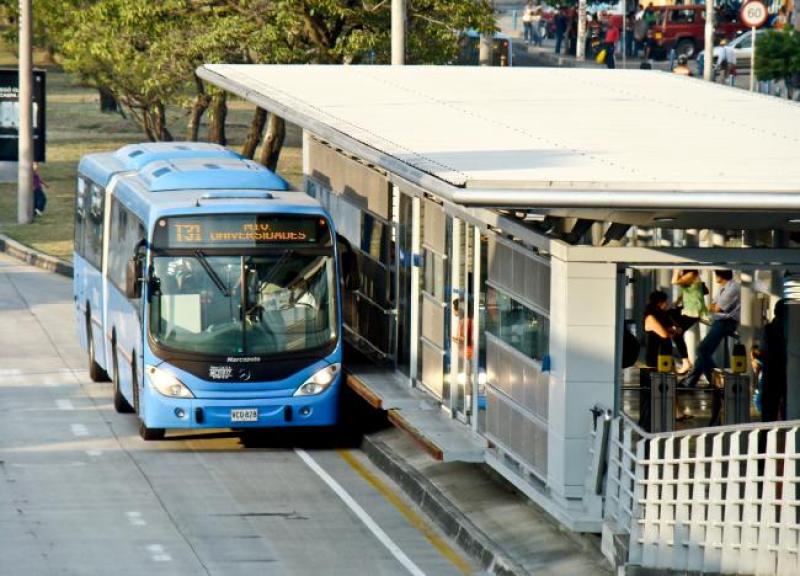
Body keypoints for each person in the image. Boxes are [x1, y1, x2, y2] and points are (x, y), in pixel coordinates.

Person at [682, 270, 740, 425]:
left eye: (716, 275)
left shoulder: (732, 288)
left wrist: (712, 307)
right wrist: (712, 307)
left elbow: (716, 308)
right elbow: (713, 306)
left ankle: (706, 381)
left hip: (725, 323)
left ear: (721, 276)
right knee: (704, 351)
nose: (715, 278)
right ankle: (703, 381)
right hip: (720, 322)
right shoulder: (725, 288)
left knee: (702, 350)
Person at [670, 269, 709, 373]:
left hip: (693, 311)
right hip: (687, 309)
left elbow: (674, 282)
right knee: (669, 315)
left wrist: (676, 271)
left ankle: (686, 362)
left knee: (677, 335)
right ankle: (684, 361)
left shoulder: (692, 274)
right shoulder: (688, 275)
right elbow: (685, 291)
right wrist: (676, 302)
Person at [759, 300, 787, 422]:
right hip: (785, 374)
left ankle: (765, 439)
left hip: (771, 373)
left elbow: (764, 351)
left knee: (768, 414)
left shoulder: (768, 329)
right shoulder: (791, 330)